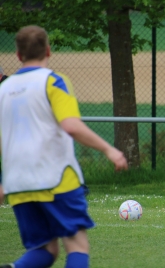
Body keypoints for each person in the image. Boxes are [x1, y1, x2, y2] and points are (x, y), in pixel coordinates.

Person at [0, 25, 128, 268]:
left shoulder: (3, 90)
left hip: (17, 183)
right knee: (77, 245)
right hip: (55, 177)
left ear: (18, 55)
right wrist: (109, 149)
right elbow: (71, 126)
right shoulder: (53, 81)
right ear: (48, 51)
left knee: (46, 250)